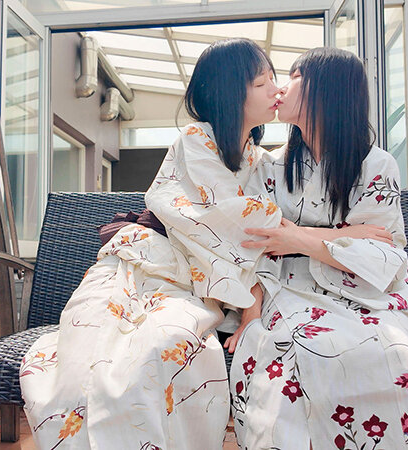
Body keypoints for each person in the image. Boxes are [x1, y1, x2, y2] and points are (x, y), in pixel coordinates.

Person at [19, 38, 282, 450]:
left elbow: (254, 223)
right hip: (143, 263)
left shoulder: (258, 158)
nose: (275, 90)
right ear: (230, 93)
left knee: (168, 342)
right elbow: (222, 219)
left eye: (274, 80)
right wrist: (252, 300)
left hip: (191, 281)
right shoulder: (195, 139)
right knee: (94, 354)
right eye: (262, 83)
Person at [231, 47, 408, 449]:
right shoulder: (267, 167)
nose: (280, 88)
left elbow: (379, 253)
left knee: (399, 364)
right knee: (302, 360)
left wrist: (295, 237)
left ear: (325, 90)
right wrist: (342, 235)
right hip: (291, 289)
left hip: (367, 296)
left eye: (294, 77)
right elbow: (259, 243)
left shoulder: (377, 165)